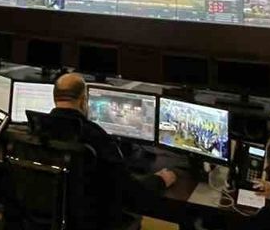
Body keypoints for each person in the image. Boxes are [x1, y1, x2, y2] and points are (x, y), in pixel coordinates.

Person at [42, 73, 176, 228]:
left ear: (54, 99)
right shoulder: (96, 137)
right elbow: (130, 194)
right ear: (83, 101)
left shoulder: (37, 131)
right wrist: (160, 180)